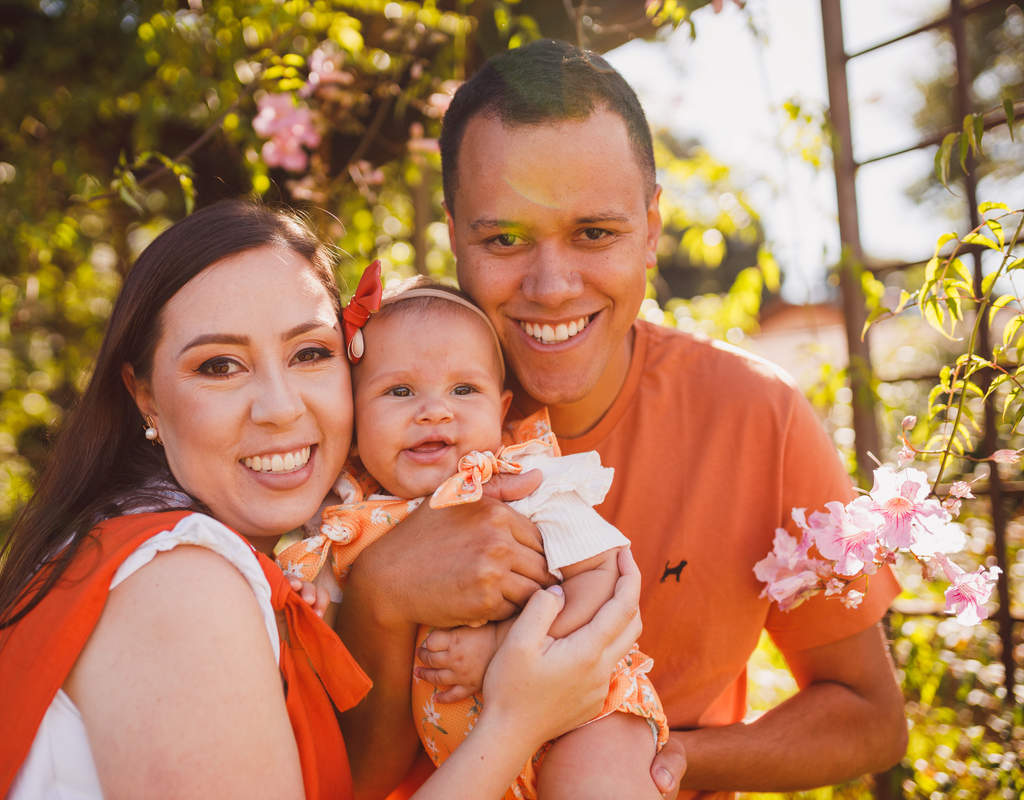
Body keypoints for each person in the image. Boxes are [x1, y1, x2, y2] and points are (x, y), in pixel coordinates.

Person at [0, 200, 653, 800]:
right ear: (144, 396)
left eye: (309, 353)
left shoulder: (239, 558)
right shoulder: (183, 583)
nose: (279, 407)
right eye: (219, 365)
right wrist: (517, 722)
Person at [335, 40, 908, 800]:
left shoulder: (754, 414)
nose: (552, 285)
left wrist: (658, 758)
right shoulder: (371, 420)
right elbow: (348, 779)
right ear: (454, 235)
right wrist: (381, 591)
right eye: (504, 238)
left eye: (594, 233)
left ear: (651, 228)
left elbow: (870, 718)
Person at [277, 271, 667, 800]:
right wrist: (311, 608)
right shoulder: (345, 524)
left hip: (587, 718)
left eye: (464, 390)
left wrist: (500, 647)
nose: (435, 410)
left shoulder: (525, 483)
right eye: (399, 391)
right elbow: (338, 656)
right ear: (352, 416)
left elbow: (605, 581)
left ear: (500, 411)